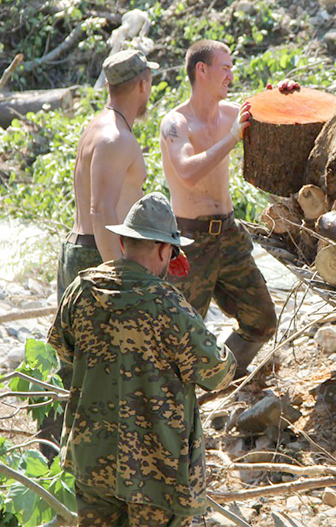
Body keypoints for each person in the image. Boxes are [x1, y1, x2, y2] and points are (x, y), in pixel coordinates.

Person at [48, 192, 236, 526]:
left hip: (93, 460)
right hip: (156, 471)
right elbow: (218, 372)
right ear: (166, 249)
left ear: (123, 242)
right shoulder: (170, 306)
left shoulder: (82, 289)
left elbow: (64, 350)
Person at [159, 39, 278, 376]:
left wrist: (280, 96)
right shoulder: (176, 123)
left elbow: (273, 118)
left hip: (229, 234)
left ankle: (219, 379)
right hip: (190, 242)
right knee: (178, 336)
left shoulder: (230, 113)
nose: (231, 74)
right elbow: (188, 172)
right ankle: (176, 408)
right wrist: (231, 139)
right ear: (202, 69)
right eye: (225, 67)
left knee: (262, 321)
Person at [56, 49, 157, 301]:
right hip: (98, 256)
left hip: (85, 251)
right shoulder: (115, 138)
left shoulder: (99, 125)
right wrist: (118, 276)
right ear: (143, 84)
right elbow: (100, 210)